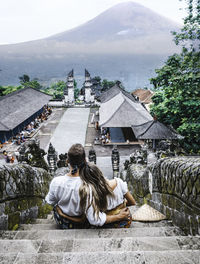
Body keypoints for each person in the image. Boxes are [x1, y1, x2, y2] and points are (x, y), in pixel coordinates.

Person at [45, 143, 135, 229]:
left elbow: (50, 201)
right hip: (79, 223)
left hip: (62, 221)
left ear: (67, 161)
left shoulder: (56, 182)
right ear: (85, 160)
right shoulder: (87, 187)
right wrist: (119, 216)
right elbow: (95, 219)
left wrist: (63, 211)